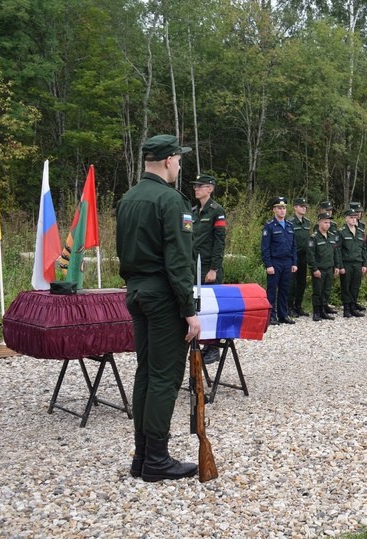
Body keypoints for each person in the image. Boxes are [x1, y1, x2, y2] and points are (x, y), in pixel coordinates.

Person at [116, 134, 199, 482]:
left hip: (136, 292)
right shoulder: (170, 200)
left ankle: (142, 456)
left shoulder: (128, 198)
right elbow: (178, 261)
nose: (180, 165)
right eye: (179, 159)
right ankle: (156, 460)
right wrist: (189, 308)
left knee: (146, 374)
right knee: (165, 378)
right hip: (163, 297)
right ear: (168, 160)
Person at [190, 174, 227, 365]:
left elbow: (220, 242)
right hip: (193, 266)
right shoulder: (193, 211)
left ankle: (212, 347)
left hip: (208, 267)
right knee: (196, 307)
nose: (196, 189)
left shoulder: (216, 211)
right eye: (195, 186)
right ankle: (200, 342)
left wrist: (214, 268)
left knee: (211, 307)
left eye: (200, 186)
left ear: (210, 189)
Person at [261, 197, 298, 325]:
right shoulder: (269, 226)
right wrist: (268, 265)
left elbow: (294, 246)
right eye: (279, 208)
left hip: (287, 262)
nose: (282, 211)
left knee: (284, 289)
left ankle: (283, 314)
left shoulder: (290, 225)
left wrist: (294, 262)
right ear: (274, 210)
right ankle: (271, 316)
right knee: (272, 291)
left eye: (284, 208)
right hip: (275, 262)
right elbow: (265, 248)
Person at [307, 211, 341, 322]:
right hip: (319, 269)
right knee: (318, 291)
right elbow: (311, 255)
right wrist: (314, 269)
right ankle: (316, 312)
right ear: (320, 222)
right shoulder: (314, 237)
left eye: (329, 222)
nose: (328, 224)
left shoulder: (331, 236)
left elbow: (335, 252)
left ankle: (323, 310)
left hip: (329, 268)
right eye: (325, 222)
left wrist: (336, 266)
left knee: (326, 290)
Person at [339, 208, 367, 318]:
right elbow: (338, 250)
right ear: (346, 218)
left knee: (355, 286)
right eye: (351, 217)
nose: (353, 219)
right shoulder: (341, 232)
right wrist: (340, 265)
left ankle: (353, 306)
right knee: (346, 286)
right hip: (346, 263)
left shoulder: (360, 232)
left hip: (358, 263)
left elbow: (364, 249)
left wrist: (364, 264)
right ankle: (346, 308)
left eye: (355, 217)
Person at [289, 197, 312, 318]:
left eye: (305, 206)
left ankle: (298, 305)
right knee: (292, 283)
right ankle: (290, 307)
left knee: (302, 283)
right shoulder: (290, 222)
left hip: (304, 256)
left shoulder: (307, 222)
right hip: (294, 256)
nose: (304, 208)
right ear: (295, 207)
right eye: (301, 206)